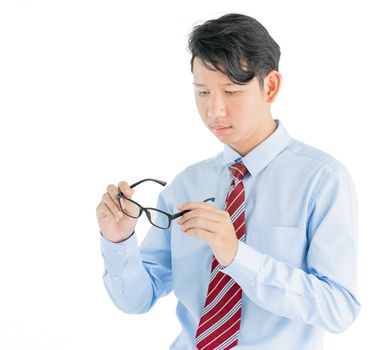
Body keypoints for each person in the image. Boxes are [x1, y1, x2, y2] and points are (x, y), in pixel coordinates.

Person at [96, 12, 361, 350]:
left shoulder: (322, 180)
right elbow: (136, 300)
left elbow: (339, 308)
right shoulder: (186, 185)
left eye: (231, 91)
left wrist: (237, 255)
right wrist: (119, 241)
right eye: (203, 92)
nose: (214, 110)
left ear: (271, 86)